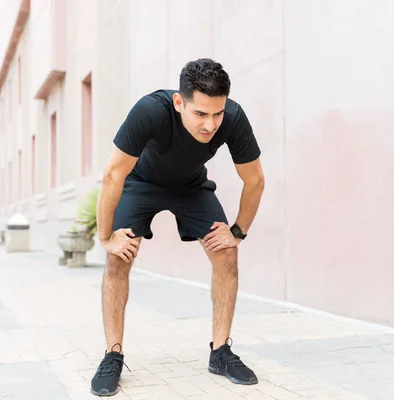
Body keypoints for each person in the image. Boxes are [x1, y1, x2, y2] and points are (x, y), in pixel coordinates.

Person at [91, 58, 265, 396]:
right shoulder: (151, 111)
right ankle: (113, 354)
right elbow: (113, 173)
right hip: (141, 182)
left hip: (190, 186)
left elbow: (255, 180)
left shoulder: (233, 118)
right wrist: (105, 237)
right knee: (119, 257)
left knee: (226, 252)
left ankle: (221, 352)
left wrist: (238, 231)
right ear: (179, 102)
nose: (210, 125)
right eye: (200, 114)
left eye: (217, 114)